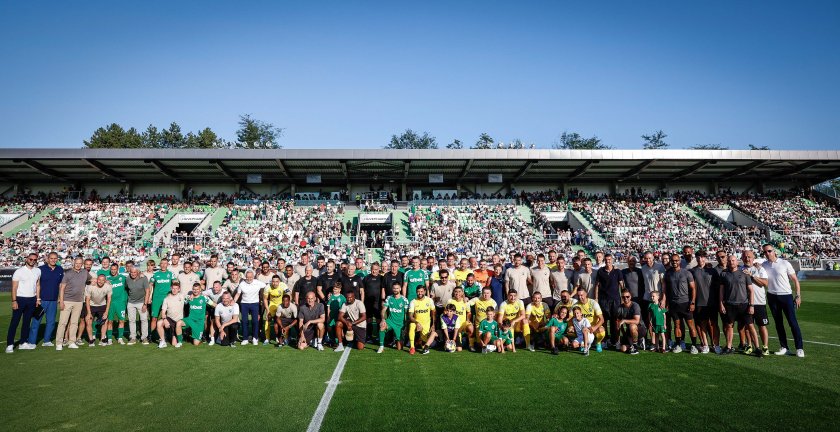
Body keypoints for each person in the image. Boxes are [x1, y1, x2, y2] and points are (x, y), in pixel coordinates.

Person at [760, 244, 804, 357]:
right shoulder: (763, 265)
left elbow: (795, 280)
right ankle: (784, 347)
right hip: (772, 296)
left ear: (774, 251)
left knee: (792, 322)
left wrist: (798, 295)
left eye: (769, 251)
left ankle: (799, 348)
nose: (767, 253)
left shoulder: (784, 263)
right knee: (778, 323)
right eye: (765, 252)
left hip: (786, 296)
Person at [719, 255, 761, 356]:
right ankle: (729, 347)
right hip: (730, 305)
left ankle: (757, 348)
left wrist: (751, 305)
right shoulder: (724, 274)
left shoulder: (744, 273)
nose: (731, 262)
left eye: (733, 260)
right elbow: (721, 290)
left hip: (744, 305)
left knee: (750, 326)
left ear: (737, 262)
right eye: (729, 261)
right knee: (729, 326)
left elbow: (751, 290)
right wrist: (721, 303)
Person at [663, 253, 699, 354]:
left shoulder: (686, 273)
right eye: (673, 261)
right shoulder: (668, 274)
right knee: (677, 325)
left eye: (676, 260)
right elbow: (665, 290)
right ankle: (678, 344)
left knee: (691, 325)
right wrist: (666, 301)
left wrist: (692, 302)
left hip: (685, 303)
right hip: (674, 304)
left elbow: (693, 288)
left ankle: (694, 345)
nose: (674, 262)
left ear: (679, 261)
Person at [7, 252, 41, 353]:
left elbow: (38, 285)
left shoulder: (38, 271)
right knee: (15, 322)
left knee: (26, 322)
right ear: (27, 259)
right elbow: (14, 287)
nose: (32, 261)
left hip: (32, 299)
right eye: (31, 259)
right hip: (20, 299)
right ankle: (10, 344)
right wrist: (14, 301)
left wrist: (38, 299)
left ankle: (23, 343)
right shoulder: (19, 271)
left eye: (35, 260)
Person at [28, 251, 62, 347]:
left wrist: (60, 297)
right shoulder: (40, 269)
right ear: (47, 259)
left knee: (51, 322)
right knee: (36, 321)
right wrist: (37, 298)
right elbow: (36, 284)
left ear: (57, 259)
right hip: (41, 300)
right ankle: (31, 342)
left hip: (53, 300)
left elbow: (60, 285)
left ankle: (47, 340)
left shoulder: (60, 269)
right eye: (51, 258)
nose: (53, 260)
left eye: (55, 258)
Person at [56, 258, 88, 351]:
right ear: (73, 263)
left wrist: (105, 281)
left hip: (79, 301)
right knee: (63, 323)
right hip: (67, 301)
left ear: (82, 264)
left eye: (80, 263)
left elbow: (93, 280)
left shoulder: (85, 272)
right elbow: (62, 288)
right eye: (76, 263)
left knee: (74, 323)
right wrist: (61, 301)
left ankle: (71, 342)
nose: (78, 265)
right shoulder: (68, 273)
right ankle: (59, 343)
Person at [742, 250, 770, 355]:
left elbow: (765, 283)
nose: (747, 258)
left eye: (749, 256)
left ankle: (765, 347)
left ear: (753, 258)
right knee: (747, 326)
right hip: (746, 302)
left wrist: (752, 276)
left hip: (759, 302)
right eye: (745, 257)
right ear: (742, 258)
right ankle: (749, 345)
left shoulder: (759, 269)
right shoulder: (740, 269)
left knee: (762, 325)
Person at [690, 251, 718, 354]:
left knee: (713, 324)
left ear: (705, 258)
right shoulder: (692, 271)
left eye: (702, 257)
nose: (700, 259)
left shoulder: (712, 270)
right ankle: (705, 344)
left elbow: (718, 287)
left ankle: (715, 345)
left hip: (712, 302)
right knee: (702, 324)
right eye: (698, 257)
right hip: (699, 302)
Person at [594, 253, 623, 347]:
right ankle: (604, 340)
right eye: (606, 260)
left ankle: (616, 341)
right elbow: (597, 285)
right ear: (604, 261)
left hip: (615, 300)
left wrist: (623, 298)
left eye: (609, 259)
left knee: (615, 321)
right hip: (603, 300)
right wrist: (596, 298)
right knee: (604, 321)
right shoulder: (600, 271)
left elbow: (622, 285)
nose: (608, 261)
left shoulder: (617, 271)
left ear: (612, 260)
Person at [234, 270, 266, 345]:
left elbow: (266, 286)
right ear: (245, 277)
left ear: (253, 276)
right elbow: (238, 294)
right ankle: (245, 339)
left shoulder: (258, 282)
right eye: (247, 277)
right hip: (244, 304)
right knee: (244, 321)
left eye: (251, 277)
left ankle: (255, 338)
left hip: (255, 304)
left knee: (255, 321)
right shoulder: (242, 284)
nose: (249, 279)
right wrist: (233, 302)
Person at [572, 286, 606, 352]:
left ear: (586, 294)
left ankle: (598, 343)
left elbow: (602, 319)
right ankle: (584, 343)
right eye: (578, 295)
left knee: (601, 330)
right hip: (582, 329)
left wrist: (594, 328)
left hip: (592, 327)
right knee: (570, 330)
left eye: (581, 295)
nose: (580, 297)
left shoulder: (593, 303)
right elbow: (571, 317)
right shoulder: (576, 305)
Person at [378, 282, 409, 353]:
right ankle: (381, 346)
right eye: (394, 288)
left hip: (400, 324)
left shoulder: (404, 300)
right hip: (390, 321)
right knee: (382, 326)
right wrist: (383, 319)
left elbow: (407, 314)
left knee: (399, 348)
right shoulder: (389, 298)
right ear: (392, 289)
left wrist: (406, 325)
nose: (395, 290)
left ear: (400, 289)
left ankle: (397, 339)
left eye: (397, 288)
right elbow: (383, 310)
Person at [149, 258, 174, 341]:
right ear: (160, 264)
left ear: (167, 264)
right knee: (154, 318)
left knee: (167, 318)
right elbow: (150, 285)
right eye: (162, 263)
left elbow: (175, 285)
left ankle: (167, 335)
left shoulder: (171, 274)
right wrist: (149, 297)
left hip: (167, 299)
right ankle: (152, 335)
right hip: (156, 299)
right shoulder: (155, 274)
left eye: (165, 263)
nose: (163, 265)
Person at [84, 274, 112, 346]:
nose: (100, 281)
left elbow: (109, 299)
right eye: (99, 280)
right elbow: (87, 299)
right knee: (88, 321)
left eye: (103, 280)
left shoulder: (108, 286)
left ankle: (102, 339)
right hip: (91, 305)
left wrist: (106, 312)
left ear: (105, 281)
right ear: (96, 280)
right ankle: (91, 340)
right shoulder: (90, 287)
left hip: (102, 305)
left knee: (105, 321)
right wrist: (89, 313)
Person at [616, 289, 646, 355]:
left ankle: (635, 347)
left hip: (640, 328)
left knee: (632, 325)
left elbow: (637, 321)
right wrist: (619, 339)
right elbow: (618, 323)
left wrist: (624, 320)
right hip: (629, 331)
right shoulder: (620, 308)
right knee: (623, 349)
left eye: (627, 296)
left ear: (630, 296)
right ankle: (637, 343)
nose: (625, 298)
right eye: (623, 297)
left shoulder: (635, 305)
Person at [408, 285, 437, 355]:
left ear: (425, 292)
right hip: (416, 322)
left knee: (424, 345)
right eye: (418, 291)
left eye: (421, 291)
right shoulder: (413, 302)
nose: (420, 293)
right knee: (411, 325)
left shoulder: (429, 300)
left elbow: (433, 312)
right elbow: (410, 316)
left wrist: (433, 324)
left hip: (426, 324)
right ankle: (412, 347)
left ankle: (419, 340)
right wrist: (417, 323)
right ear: (416, 292)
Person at [124, 267, 149, 345]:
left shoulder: (144, 278)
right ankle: (133, 338)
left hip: (141, 302)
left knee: (144, 320)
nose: (133, 274)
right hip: (131, 302)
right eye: (131, 272)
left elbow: (147, 291)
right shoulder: (127, 279)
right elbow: (126, 288)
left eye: (135, 272)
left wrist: (145, 304)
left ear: (138, 272)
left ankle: (144, 338)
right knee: (132, 320)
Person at [105, 263, 128, 344]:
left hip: (120, 303)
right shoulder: (107, 279)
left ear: (117, 269)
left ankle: (120, 338)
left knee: (121, 320)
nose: (113, 271)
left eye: (115, 269)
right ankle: (109, 339)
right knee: (110, 321)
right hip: (110, 303)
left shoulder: (123, 278)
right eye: (112, 269)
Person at [156, 282, 185, 348]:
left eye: (176, 288)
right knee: (159, 323)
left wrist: (191, 296)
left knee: (174, 344)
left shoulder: (182, 296)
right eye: (173, 288)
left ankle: (178, 335)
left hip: (178, 321)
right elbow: (163, 312)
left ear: (179, 289)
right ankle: (163, 341)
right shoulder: (166, 299)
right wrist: (165, 320)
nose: (174, 290)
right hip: (169, 319)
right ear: (171, 288)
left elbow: (191, 296)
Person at [362, 263, 385, 340]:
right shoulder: (366, 278)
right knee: (368, 319)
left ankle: (378, 336)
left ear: (379, 269)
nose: (374, 271)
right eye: (373, 269)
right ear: (371, 269)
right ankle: (369, 336)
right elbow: (362, 290)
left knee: (378, 320)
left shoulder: (382, 278)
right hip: (368, 302)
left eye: (376, 269)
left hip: (378, 302)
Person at [447, 286, 474, 351]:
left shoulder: (465, 302)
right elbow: (446, 312)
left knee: (470, 327)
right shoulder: (450, 301)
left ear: (462, 293)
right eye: (456, 292)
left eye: (459, 292)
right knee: (459, 349)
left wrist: (467, 320)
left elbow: (469, 312)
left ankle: (471, 345)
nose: (457, 293)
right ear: (453, 292)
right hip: (453, 326)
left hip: (462, 324)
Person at [262, 275, 287, 345]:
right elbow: (265, 299)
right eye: (273, 281)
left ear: (279, 282)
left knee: (282, 321)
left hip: (281, 305)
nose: (275, 283)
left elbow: (288, 295)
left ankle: (283, 337)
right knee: (268, 320)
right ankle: (267, 338)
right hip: (272, 305)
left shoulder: (283, 285)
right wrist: (267, 310)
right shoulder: (267, 287)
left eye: (276, 281)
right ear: (271, 281)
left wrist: (286, 306)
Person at [203, 281, 225, 346]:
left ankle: (219, 336)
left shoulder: (224, 292)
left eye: (217, 287)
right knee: (212, 321)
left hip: (222, 308)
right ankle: (211, 338)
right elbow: (201, 294)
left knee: (221, 322)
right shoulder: (210, 291)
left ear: (221, 287)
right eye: (214, 287)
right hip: (212, 308)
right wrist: (210, 302)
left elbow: (230, 300)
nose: (215, 289)